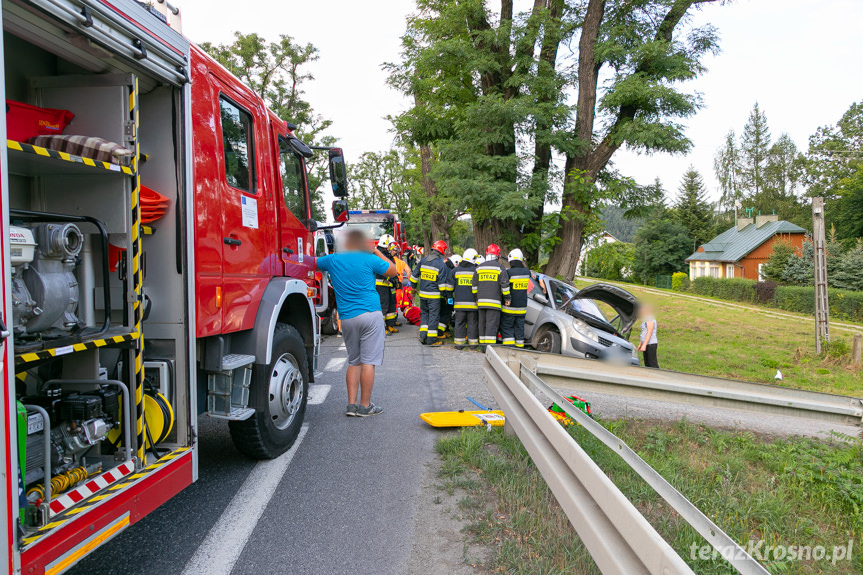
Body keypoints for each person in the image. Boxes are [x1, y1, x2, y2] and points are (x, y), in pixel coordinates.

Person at [316, 229, 398, 417]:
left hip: (347, 318)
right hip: (370, 314)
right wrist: (376, 250)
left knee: (354, 361)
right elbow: (393, 271)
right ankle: (365, 406)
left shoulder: (332, 260)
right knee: (368, 362)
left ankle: (351, 405)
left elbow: (310, 263)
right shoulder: (368, 259)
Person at [410, 240, 451, 346]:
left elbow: (414, 276)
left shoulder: (423, 261)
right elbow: (442, 285)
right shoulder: (441, 265)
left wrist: (413, 288)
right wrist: (445, 296)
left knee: (425, 315)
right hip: (434, 297)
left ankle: (423, 336)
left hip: (423, 295)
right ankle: (432, 340)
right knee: (433, 316)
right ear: (441, 251)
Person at [472, 244, 510, 348]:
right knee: (491, 325)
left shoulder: (479, 268)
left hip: (481, 302)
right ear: (498, 255)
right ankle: (489, 348)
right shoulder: (500, 268)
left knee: (482, 324)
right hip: (494, 303)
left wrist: (476, 298)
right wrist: (507, 298)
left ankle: (483, 346)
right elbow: (505, 286)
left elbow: (474, 286)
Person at [500, 249, 530, 347]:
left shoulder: (509, 273)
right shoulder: (527, 272)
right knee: (519, 329)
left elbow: (505, 288)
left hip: (509, 307)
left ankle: (509, 348)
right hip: (522, 308)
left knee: (507, 327)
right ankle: (519, 348)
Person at [452, 249, 479, 350]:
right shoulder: (476, 271)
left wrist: (451, 298)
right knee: (472, 324)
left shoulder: (455, 270)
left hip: (459, 304)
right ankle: (473, 345)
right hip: (473, 305)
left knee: (459, 323)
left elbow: (449, 287)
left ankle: (459, 345)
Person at [375, 234, 399, 334]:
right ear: (385, 244)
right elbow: (380, 270)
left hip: (388, 286)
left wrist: (396, 281)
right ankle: (381, 328)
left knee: (391, 305)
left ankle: (390, 325)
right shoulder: (378, 255)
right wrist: (390, 277)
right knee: (383, 306)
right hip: (380, 285)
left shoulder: (387, 255)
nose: (391, 247)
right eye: (390, 245)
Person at [638, 303, 659, 368]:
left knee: (652, 363)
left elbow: (649, 332)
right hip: (646, 344)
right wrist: (641, 344)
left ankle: (658, 376)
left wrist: (644, 345)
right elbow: (644, 333)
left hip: (650, 344)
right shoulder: (645, 319)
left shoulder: (650, 318)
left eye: (642, 309)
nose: (640, 311)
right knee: (647, 363)